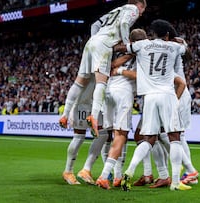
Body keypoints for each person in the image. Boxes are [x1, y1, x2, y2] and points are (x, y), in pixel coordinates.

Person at [117, 19, 191, 191]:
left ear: (152, 34)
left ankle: (130, 170)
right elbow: (186, 51)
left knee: (148, 140)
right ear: (166, 35)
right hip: (167, 95)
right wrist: (181, 41)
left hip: (149, 97)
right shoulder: (173, 46)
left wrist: (118, 46)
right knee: (175, 139)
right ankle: (174, 182)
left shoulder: (142, 45)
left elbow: (122, 48)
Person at [59, 0, 147, 138]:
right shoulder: (133, 9)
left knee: (79, 82)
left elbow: (95, 25)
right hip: (103, 46)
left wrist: (98, 40)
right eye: (143, 9)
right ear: (140, 4)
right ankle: (93, 116)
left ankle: (64, 115)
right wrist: (126, 44)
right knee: (101, 82)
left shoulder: (116, 9)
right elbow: (124, 24)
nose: (142, 13)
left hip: (91, 42)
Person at [95, 28, 148, 190]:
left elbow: (111, 65)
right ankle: (105, 176)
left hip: (108, 91)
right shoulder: (143, 54)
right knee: (121, 134)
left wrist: (122, 61)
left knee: (114, 134)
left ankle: (117, 176)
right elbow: (139, 76)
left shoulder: (118, 52)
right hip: (123, 93)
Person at [62, 76, 110, 185]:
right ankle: (68, 171)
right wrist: (66, 112)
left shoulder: (100, 65)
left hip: (94, 105)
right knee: (79, 137)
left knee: (103, 134)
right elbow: (77, 84)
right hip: (81, 105)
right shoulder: (89, 66)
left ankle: (86, 170)